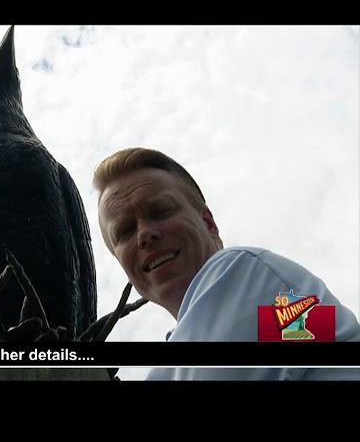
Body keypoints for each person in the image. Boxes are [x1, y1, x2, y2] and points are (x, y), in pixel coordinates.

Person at [93, 147, 360, 380]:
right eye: (125, 231)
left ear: (208, 223)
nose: (144, 234)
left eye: (160, 211)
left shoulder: (244, 273)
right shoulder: (269, 321)